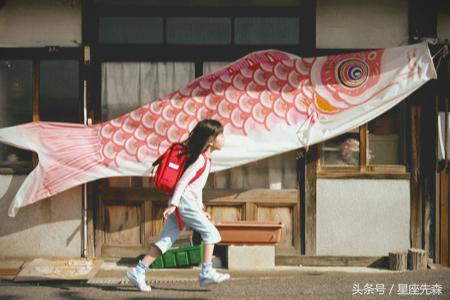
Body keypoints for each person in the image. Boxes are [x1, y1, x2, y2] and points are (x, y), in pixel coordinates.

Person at [126, 119, 229, 292]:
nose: (224, 138)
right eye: (221, 135)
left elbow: (195, 187)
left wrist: (200, 210)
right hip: (184, 203)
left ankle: (138, 271)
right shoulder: (201, 160)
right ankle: (206, 272)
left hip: (185, 203)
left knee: (166, 241)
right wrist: (174, 204)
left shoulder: (205, 160)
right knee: (211, 233)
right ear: (211, 140)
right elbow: (182, 183)